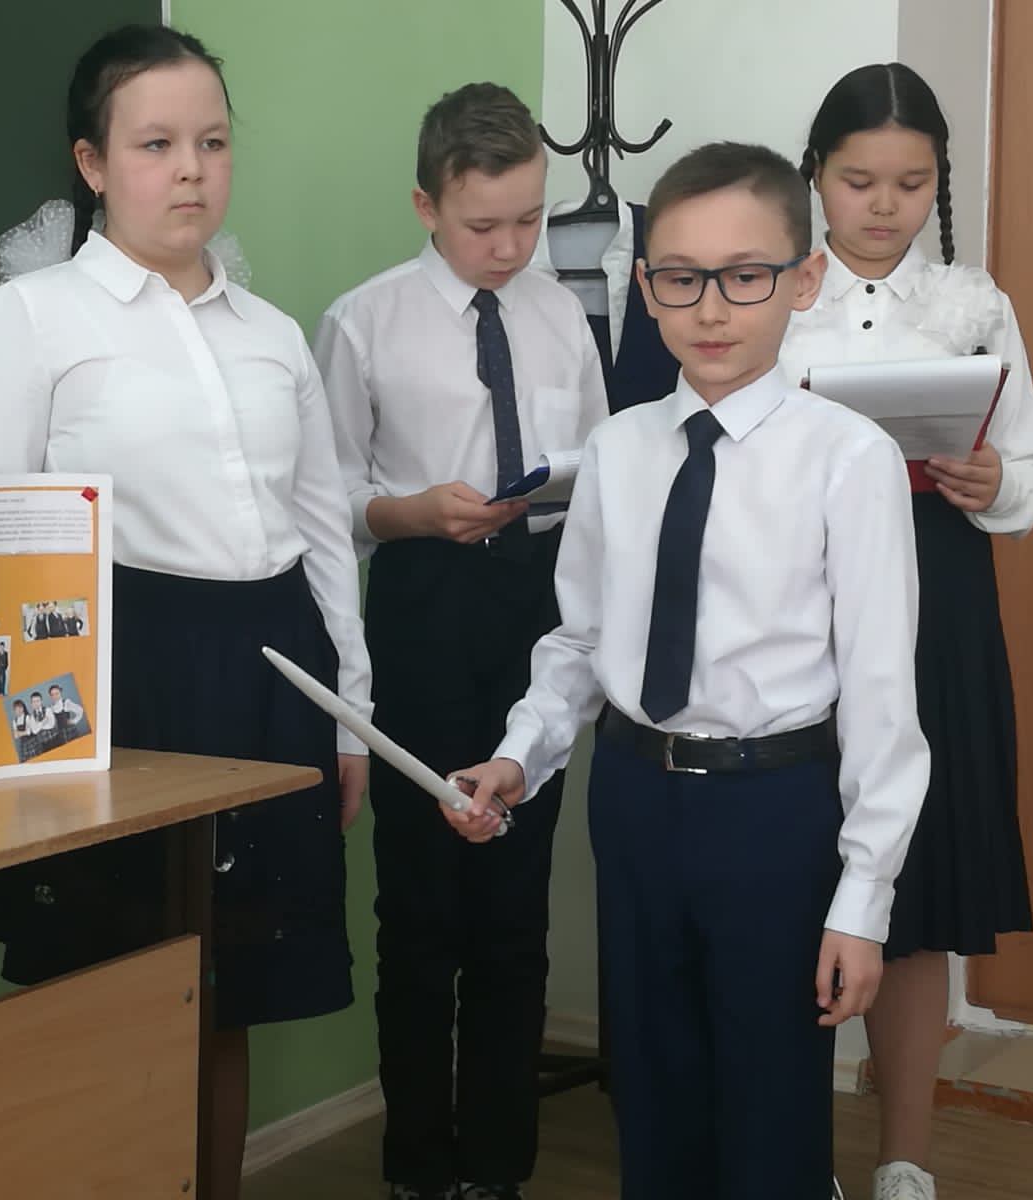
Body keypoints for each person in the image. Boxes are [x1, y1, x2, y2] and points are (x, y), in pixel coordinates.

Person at [450, 142, 930, 1200]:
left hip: (775, 808)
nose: (711, 309)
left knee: (769, 1104)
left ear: (803, 279)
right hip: (633, 801)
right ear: (645, 287)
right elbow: (580, 641)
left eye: (745, 275)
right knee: (653, 1090)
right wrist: (519, 757)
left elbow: (882, 696)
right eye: (679, 278)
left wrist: (864, 898)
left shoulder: (849, 460)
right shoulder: (618, 450)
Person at [0, 23, 371, 1198]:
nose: (190, 169)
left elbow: (321, 531)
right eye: (156, 144)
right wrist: (8, 748)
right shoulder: (31, 319)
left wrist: (349, 712)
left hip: (272, 671)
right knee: (111, 983)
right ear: (92, 162)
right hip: (115, 676)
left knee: (225, 989)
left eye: (212, 143)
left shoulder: (271, 333)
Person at [314, 82, 605, 1200]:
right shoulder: (363, 322)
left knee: (513, 910)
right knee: (422, 909)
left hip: (537, 608)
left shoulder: (560, 316)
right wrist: (412, 513)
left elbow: (597, 471)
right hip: (421, 607)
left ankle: (497, 1169)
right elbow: (330, 501)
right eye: (484, 224)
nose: (511, 247)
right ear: (426, 205)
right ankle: (416, 1169)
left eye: (529, 219)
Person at [780, 63, 1033, 1200]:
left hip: (938, 596)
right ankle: (791, 1156)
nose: (883, 206)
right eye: (858, 181)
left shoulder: (974, 307)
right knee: (793, 880)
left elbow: (1030, 479)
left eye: (910, 182)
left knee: (918, 892)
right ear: (815, 177)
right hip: (798, 602)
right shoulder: (771, 294)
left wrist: (993, 481)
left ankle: (904, 1160)